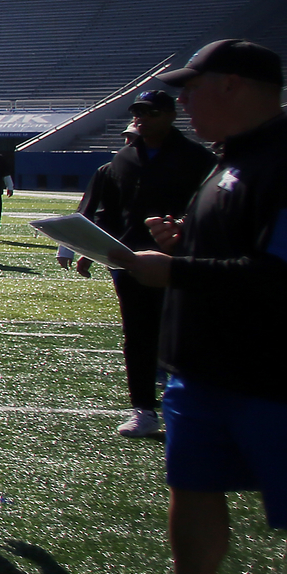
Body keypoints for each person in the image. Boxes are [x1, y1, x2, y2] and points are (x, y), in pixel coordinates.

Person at [103, 40, 287, 574]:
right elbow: (240, 254)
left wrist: (176, 272)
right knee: (193, 488)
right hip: (204, 370)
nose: (183, 105)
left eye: (193, 91)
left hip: (280, 376)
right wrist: (181, 246)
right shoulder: (232, 162)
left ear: (234, 86)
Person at [69, 89, 211, 439]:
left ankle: (192, 404)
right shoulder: (123, 160)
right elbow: (110, 212)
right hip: (131, 261)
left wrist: (184, 230)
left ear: (169, 116)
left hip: (181, 261)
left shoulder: (196, 158)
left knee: (187, 332)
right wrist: (92, 247)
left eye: (150, 113)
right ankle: (143, 408)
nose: (141, 119)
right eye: (138, 113)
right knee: (137, 334)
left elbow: (208, 209)